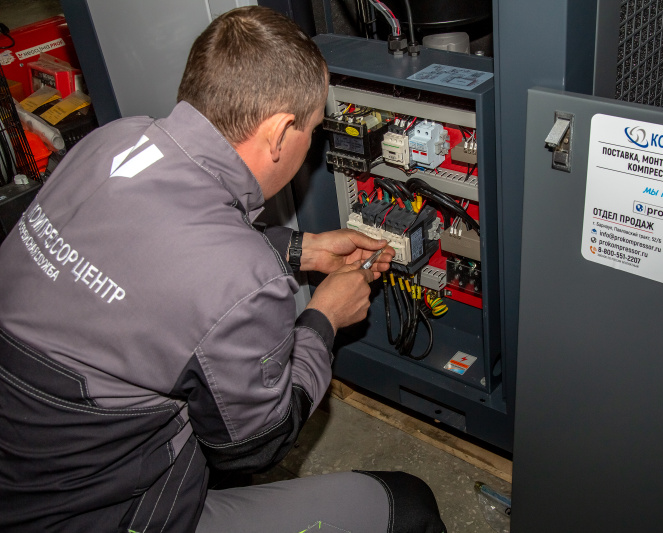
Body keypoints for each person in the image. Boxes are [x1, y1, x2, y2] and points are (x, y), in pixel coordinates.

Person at [0, 6, 446, 533]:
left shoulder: (112, 142)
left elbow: (160, 248)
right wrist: (323, 319)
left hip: (25, 469)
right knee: (408, 505)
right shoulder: (241, 279)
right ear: (280, 133)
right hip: (103, 515)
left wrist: (301, 249)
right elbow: (255, 445)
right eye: (313, 131)